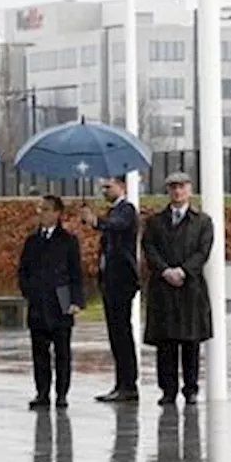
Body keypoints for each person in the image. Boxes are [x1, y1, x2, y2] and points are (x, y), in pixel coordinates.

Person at [142, 171, 214, 405]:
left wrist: (183, 271)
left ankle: (190, 388)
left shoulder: (202, 222)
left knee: (190, 342)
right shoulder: (155, 222)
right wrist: (165, 271)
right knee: (166, 343)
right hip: (163, 288)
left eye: (181, 186)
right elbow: (149, 249)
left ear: (189, 190)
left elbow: (202, 252)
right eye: (173, 187)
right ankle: (168, 389)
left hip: (190, 289)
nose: (177, 191)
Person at [18, 195, 85, 409]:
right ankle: (42, 392)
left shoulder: (68, 240)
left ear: (57, 213)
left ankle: (62, 393)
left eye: (46, 209)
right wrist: (28, 291)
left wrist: (76, 300)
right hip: (38, 302)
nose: (42, 213)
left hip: (61, 301)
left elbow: (76, 273)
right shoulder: (32, 241)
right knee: (39, 352)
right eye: (41, 209)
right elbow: (23, 271)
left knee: (62, 352)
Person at [79, 175, 140, 403]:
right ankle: (121, 382)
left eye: (109, 186)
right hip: (110, 281)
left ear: (121, 186)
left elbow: (117, 226)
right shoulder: (114, 211)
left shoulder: (126, 210)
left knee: (122, 333)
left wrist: (96, 221)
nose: (104, 191)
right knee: (116, 334)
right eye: (103, 187)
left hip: (122, 280)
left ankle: (129, 384)